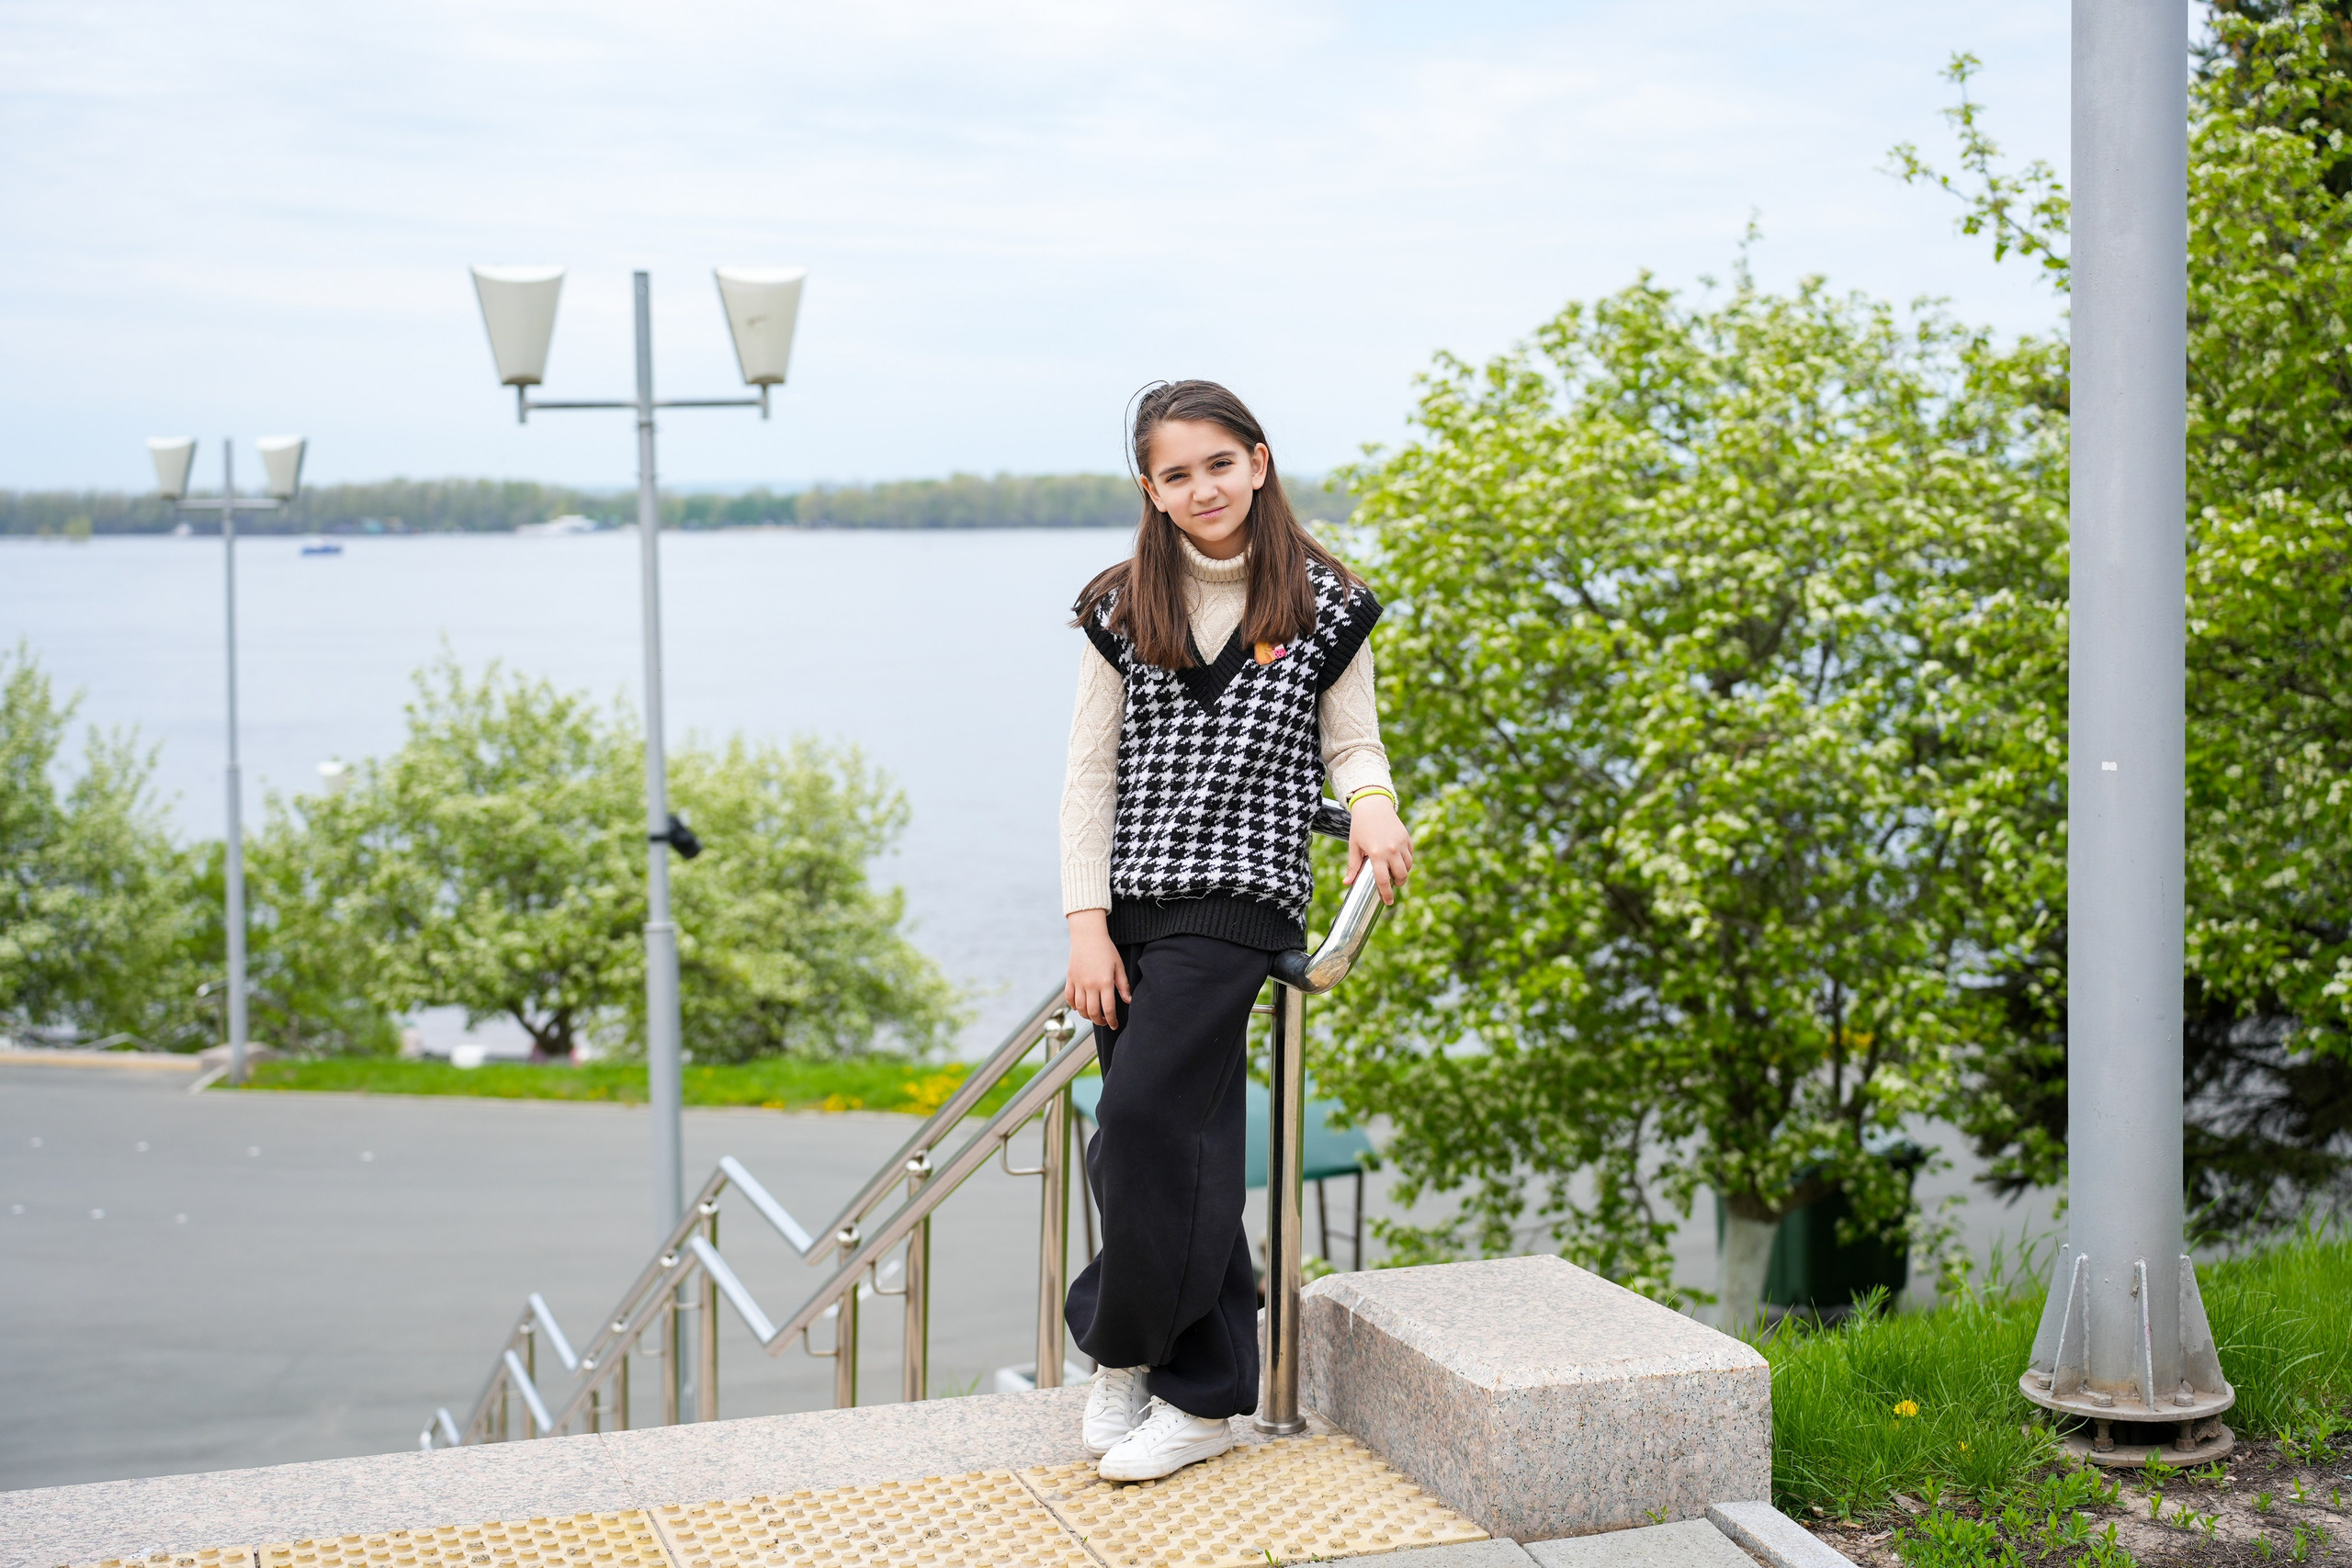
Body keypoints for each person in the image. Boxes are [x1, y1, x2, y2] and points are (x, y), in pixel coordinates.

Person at [1058, 378, 1413, 1483]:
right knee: (1174, 1141)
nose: (1202, 487)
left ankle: (1137, 1354)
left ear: (1258, 462)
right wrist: (1086, 925)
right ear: (1151, 493)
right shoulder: (1121, 606)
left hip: (1241, 900)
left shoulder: (1326, 601)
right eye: (1176, 473)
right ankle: (1188, 1381)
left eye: (1219, 463)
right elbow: (1088, 774)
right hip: (1131, 908)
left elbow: (1350, 744)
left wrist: (1374, 804)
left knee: (1146, 1119)